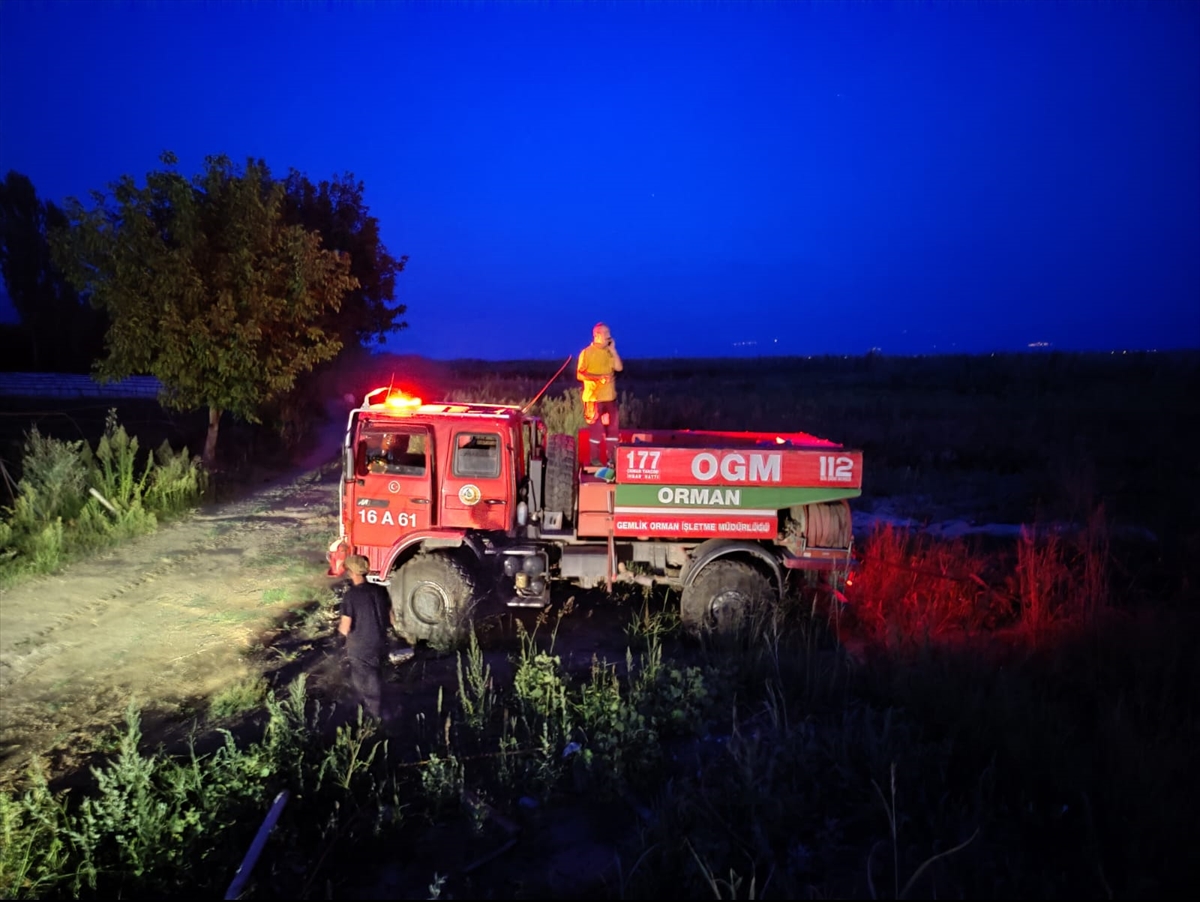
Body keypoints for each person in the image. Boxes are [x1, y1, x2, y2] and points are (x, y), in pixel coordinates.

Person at [338, 555, 396, 719]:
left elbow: (345, 627)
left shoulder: (351, 595)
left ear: (351, 573)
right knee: (377, 674)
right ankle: (382, 708)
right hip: (381, 641)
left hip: (361, 645)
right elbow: (392, 619)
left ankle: (376, 715)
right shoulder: (380, 590)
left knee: (366, 680)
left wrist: (338, 641)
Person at [576, 322, 623, 468]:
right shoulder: (587, 353)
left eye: (609, 333)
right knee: (596, 430)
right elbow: (580, 374)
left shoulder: (609, 352)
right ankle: (594, 459)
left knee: (612, 429)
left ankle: (612, 459)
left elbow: (619, 368)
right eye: (605, 333)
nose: (609, 336)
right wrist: (598, 378)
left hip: (610, 397)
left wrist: (613, 350)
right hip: (593, 399)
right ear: (597, 336)